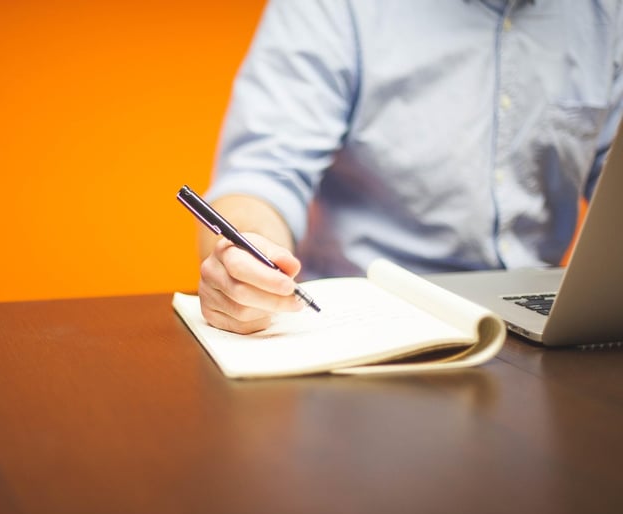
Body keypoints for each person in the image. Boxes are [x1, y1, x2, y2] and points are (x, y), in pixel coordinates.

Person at [197, 0, 623, 334]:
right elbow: (262, 174)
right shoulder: (335, 7)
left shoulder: (607, 16)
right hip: (369, 327)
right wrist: (246, 261)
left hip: (547, 330)